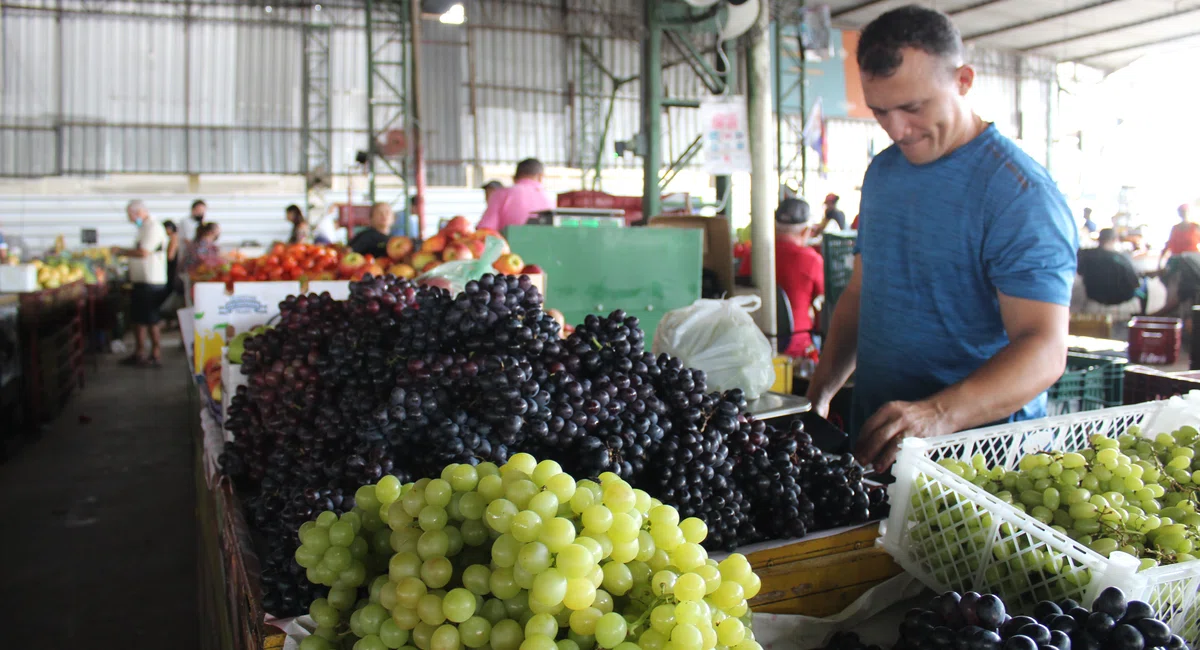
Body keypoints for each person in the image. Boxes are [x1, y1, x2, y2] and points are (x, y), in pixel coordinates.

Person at [804, 6, 1077, 473]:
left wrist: (937, 414)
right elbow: (861, 293)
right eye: (880, 111)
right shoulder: (884, 173)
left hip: (983, 458)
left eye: (912, 107)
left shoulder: (1018, 194)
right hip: (880, 441)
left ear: (964, 81)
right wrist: (821, 391)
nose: (896, 129)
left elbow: (1045, 347)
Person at [114, 200, 169, 367]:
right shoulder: (143, 227)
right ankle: (141, 353)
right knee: (141, 319)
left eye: (130, 215)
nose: (130, 219)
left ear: (137, 212)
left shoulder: (152, 227)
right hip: (142, 280)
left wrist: (120, 251)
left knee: (150, 319)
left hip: (151, 281)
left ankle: (154, 354)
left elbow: (144, 252)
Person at [775, 198, 824, 359]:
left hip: (758, 341)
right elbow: (823, 301)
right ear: (805, 232)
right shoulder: (811, 260)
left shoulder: (752, 255)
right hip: (798, 348)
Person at [477, 159, 554, 231]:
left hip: (509, 244)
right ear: (541, 176)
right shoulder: (550, 199)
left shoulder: (501, 194)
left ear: (515, 177)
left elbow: (485, 229)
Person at [1077, 229, 1141, 307]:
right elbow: (1135, 282)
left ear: (1099, 239)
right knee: (1144, 286)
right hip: (1122, 296)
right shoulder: (1121, 258)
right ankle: (1143, 313)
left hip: (1093, 294)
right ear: (1114, 240)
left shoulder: (1085, 255)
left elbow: (1080, 272)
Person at [1160, 204, 1199, 268]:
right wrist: (1159, 263)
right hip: (1177, 260)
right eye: (1181, 212)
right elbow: (1168, 244)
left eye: (1185, 211)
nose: (1183, 214)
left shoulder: (1195, 227)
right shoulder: (1175, 228)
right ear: (1179, 214)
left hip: (1193, 260)